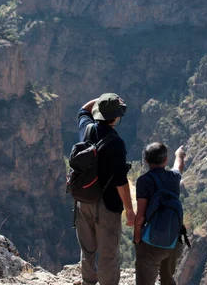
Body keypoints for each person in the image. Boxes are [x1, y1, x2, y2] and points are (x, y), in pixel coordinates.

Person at [76, 93, 136, 285]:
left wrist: (101, 99)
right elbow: (121, 181)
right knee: (109, 252)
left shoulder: (86, 130)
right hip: (107, 205)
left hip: (83, 199)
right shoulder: (116, 143)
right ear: (116, 117)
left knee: (87, 248)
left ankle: (88, 282)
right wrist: (129, 210)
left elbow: (83, 110)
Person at [134, 142, 186, 285]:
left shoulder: (144, 181)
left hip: (151, 243)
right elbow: (179, 166)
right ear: (165, 160)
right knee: (167, 280)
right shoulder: (174, 177)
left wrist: (137, 239)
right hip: (173, 240)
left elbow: (141, 215)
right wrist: (179, 154)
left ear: (145, 160)